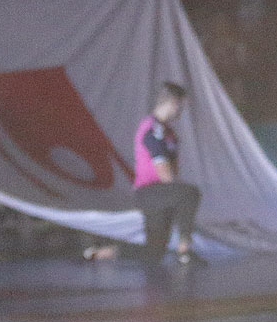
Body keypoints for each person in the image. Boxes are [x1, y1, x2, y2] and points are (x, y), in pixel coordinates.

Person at [85, 82, 202, 264]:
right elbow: (161, 166)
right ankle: (184, 248)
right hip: (150, 192)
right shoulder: (153, 128)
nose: (181, 110)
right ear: (172, 102)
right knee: (190, 193)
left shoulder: (169, 132)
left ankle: (100, 254)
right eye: (180, 105)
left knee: (154, 251)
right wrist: (175, 193)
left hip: (159, 193)